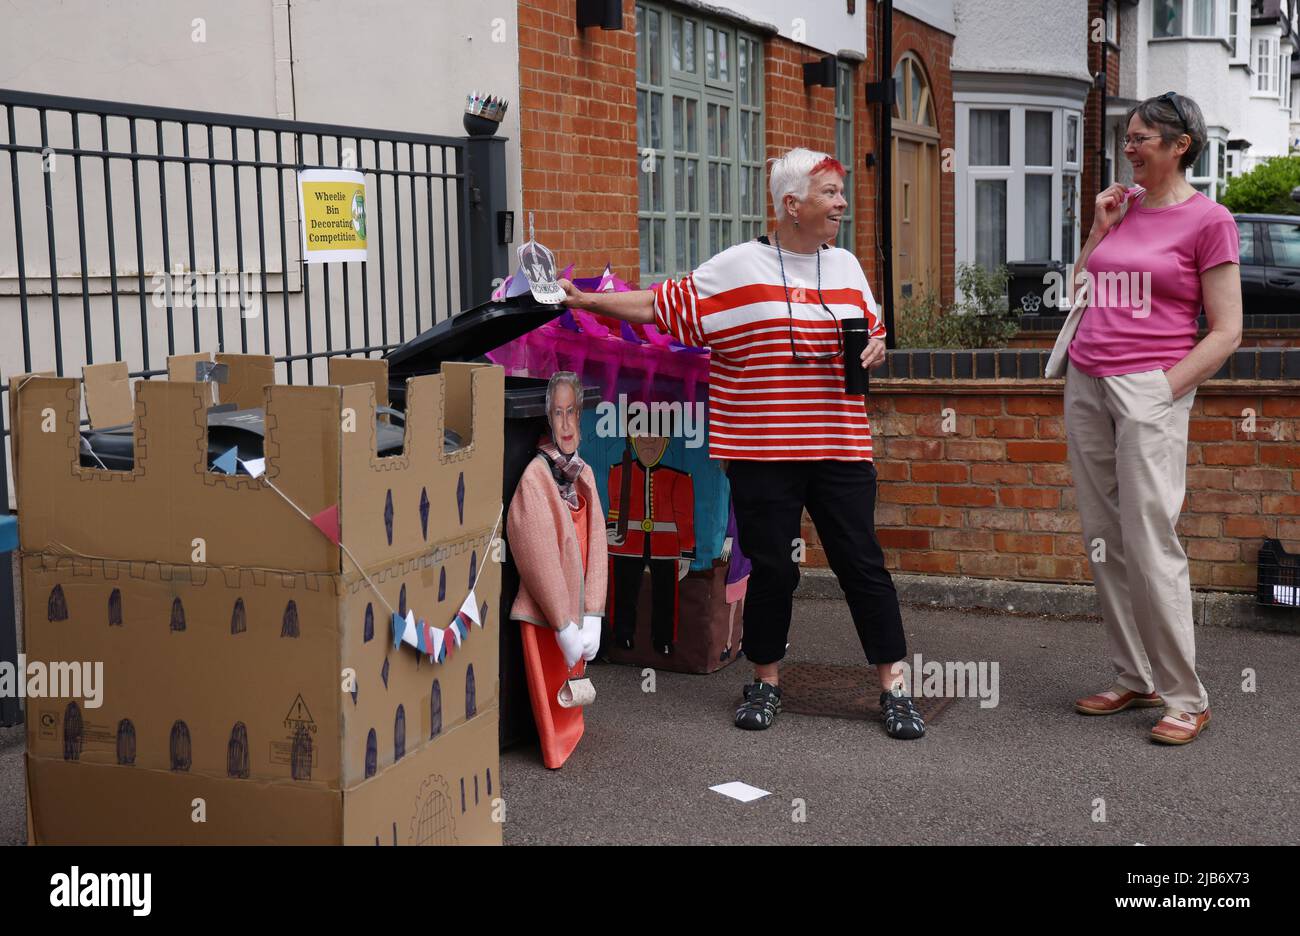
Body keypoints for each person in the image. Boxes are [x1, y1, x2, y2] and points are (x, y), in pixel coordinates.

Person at [558, 147, 925, 740]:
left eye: (840, 192)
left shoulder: (848, 268)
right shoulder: (737, 267)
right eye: (829, 193)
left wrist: (877, 346)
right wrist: (585, 301)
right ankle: (765, 680)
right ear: (791, 205)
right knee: (773, 568)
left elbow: (873, 329)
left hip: (838, 446)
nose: (841, 203)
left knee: (864, 565)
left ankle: (894, 688)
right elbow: (658, 305)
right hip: (761, 451)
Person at [1058, 92, 1241, 745]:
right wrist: (1099, 230)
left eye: (1140, 139)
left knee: (1151, 538)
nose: (1128, 148)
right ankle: (1133, 675)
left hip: (1148, 388)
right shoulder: (1124, 207)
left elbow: (1227, 332)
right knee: (1104, 535)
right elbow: (1081, 292)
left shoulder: (1209, 220)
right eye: (1127, 137)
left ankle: (1186, 696)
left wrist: (1164, 390)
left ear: (1178, 145)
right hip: (1087, 378)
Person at [506, 372, 607, 767]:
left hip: (579, 607)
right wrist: (563, 623)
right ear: (546, 419)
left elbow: (598, 542)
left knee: (571, 689)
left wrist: (594, 614)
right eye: (558, 413)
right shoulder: (535, 478)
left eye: (572, 413)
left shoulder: (584, 474)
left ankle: (567, 733)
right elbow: (536, 553)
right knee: (550, 693)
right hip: (545, 612)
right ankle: (552, 746)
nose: (566, 425)